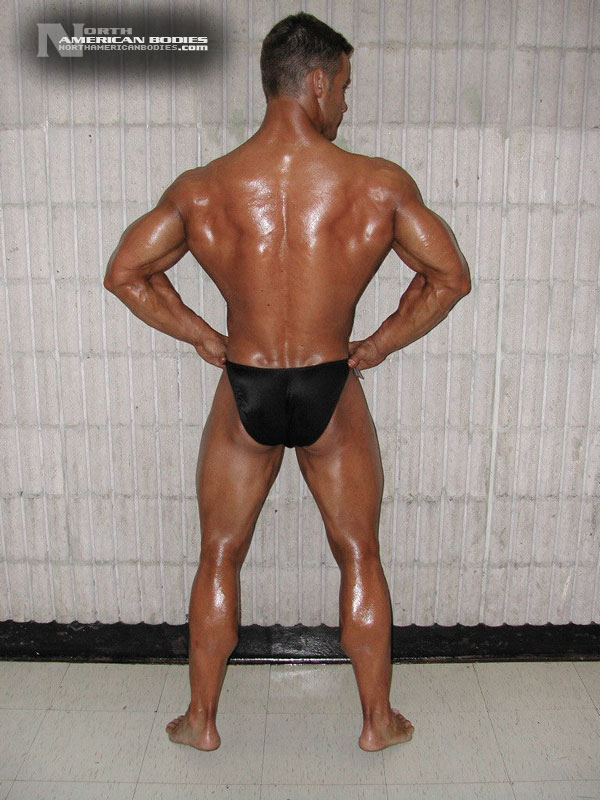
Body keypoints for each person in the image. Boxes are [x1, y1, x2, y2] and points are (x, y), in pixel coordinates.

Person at [104, 11, 470, 752]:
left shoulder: (203, 188)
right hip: (330, 383)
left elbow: (125, 273)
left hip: (247, 382)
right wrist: (378, 344)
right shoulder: (376, 185)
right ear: (316, 82)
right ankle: (377, 722)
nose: (347, 103)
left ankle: (200, 721)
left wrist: (203, 334)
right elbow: (449, 277)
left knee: (218, 554)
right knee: (359, 554)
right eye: (345, 86)